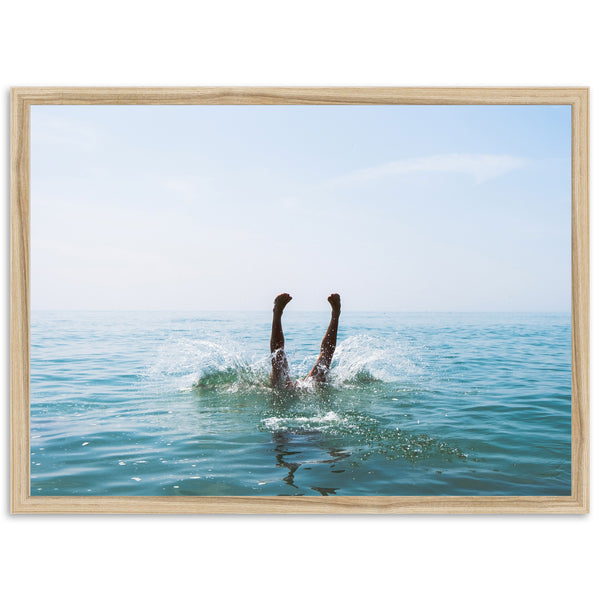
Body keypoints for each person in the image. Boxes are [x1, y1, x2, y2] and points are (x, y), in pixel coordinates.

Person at [270, 293, 341, 389]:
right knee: (278, 357)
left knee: (325, 358)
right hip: (294, 390)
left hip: (300, 390)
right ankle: (277, 313)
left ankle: (335, 314)